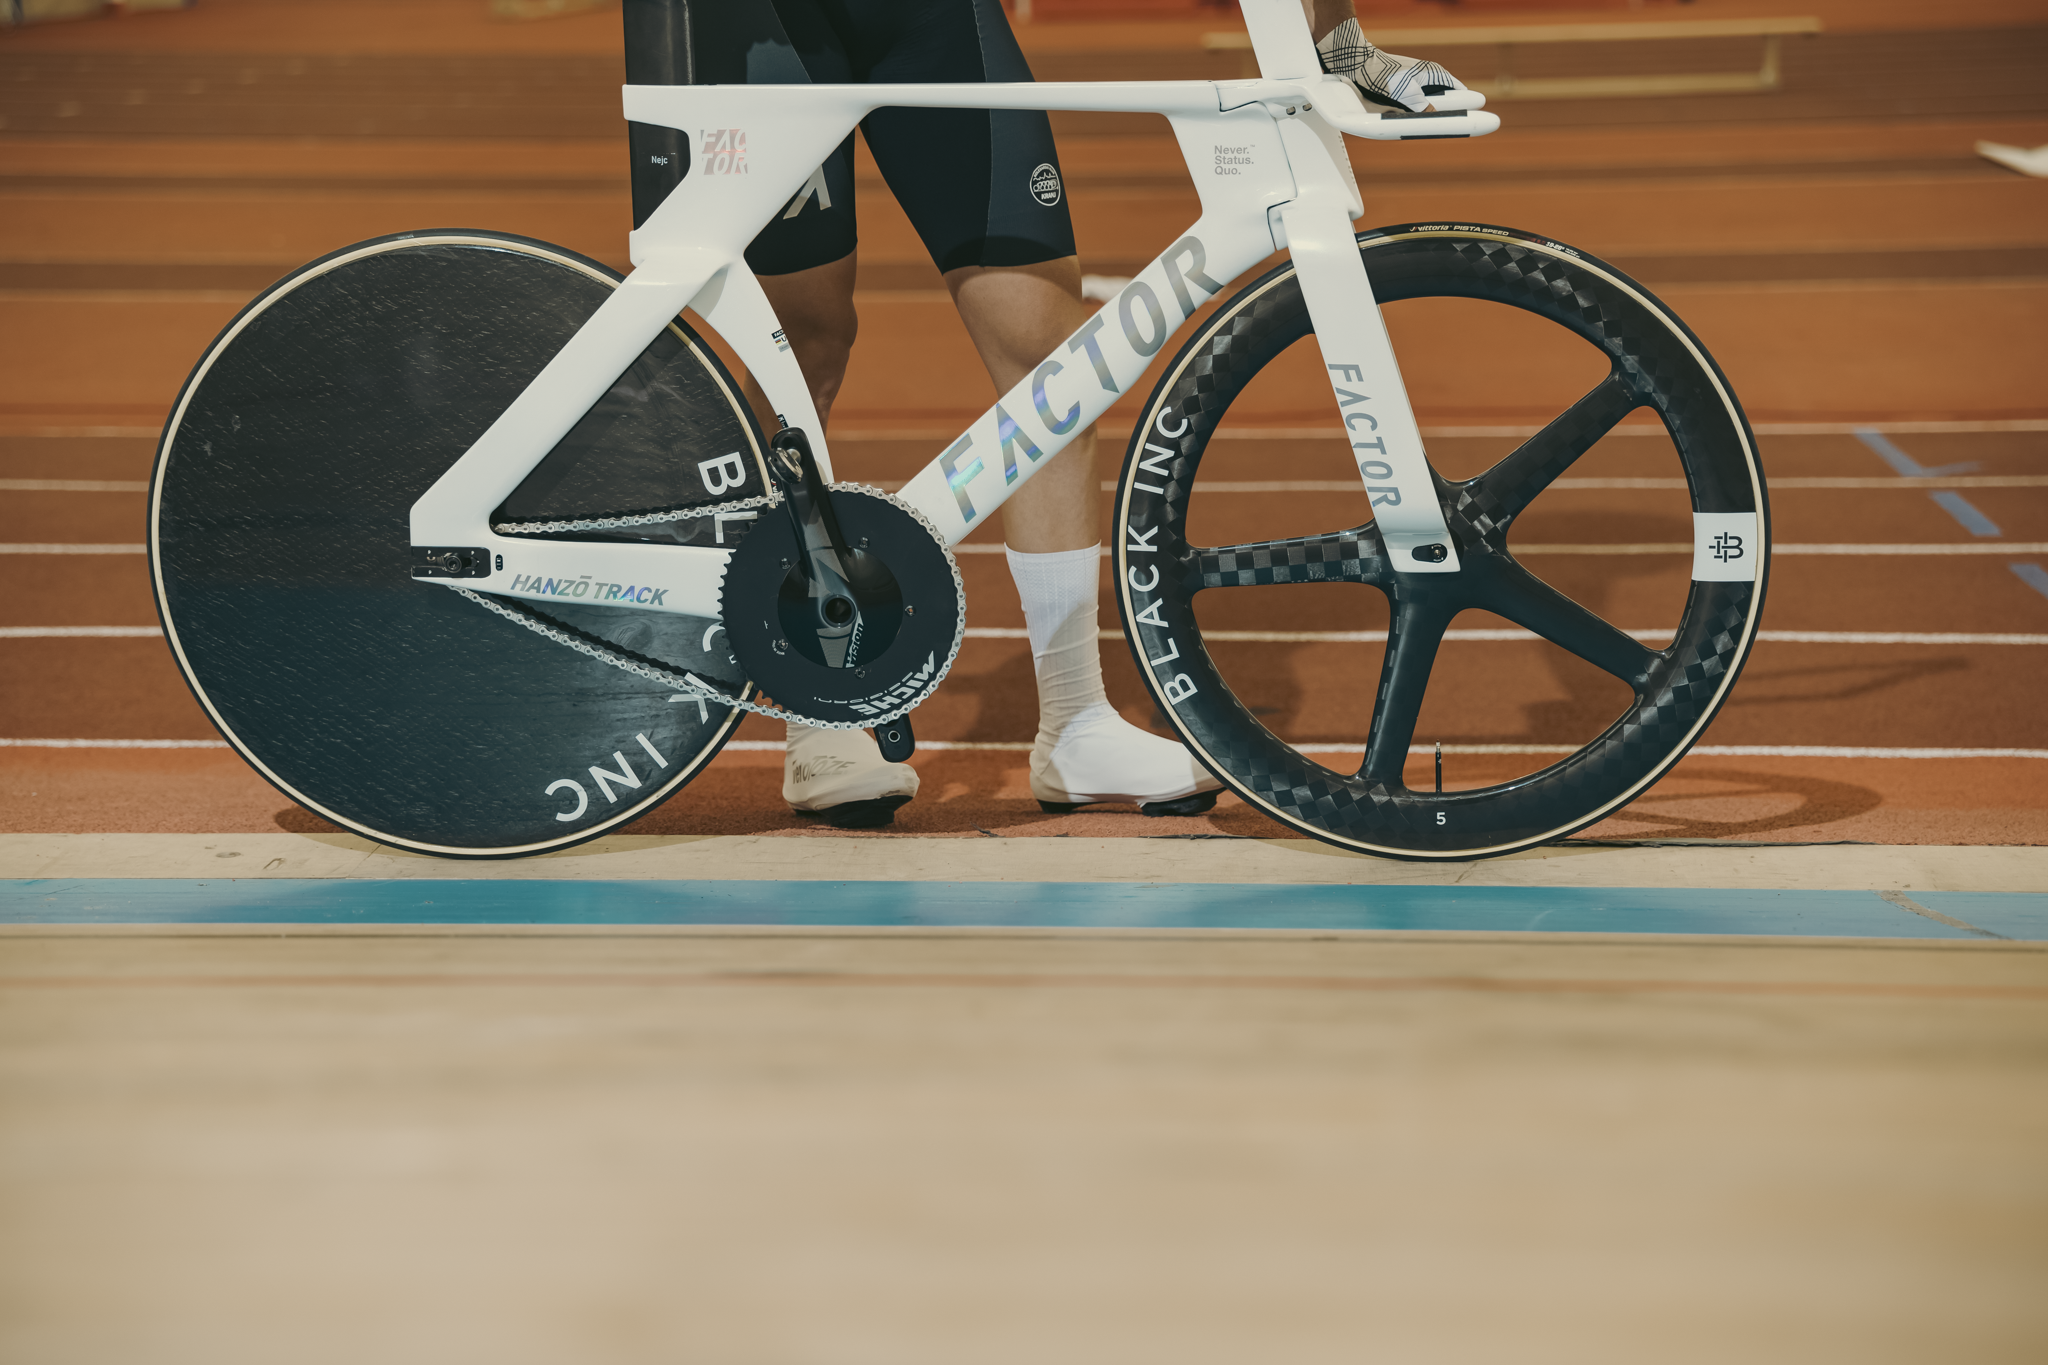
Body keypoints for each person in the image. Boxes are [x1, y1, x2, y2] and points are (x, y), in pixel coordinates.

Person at [726, 0, 1467, 827]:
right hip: (766, 20)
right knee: (803, 337)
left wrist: (1336, 39)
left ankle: (1075, 721)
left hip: (934, 16)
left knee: (1048, 349)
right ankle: (814, 706)